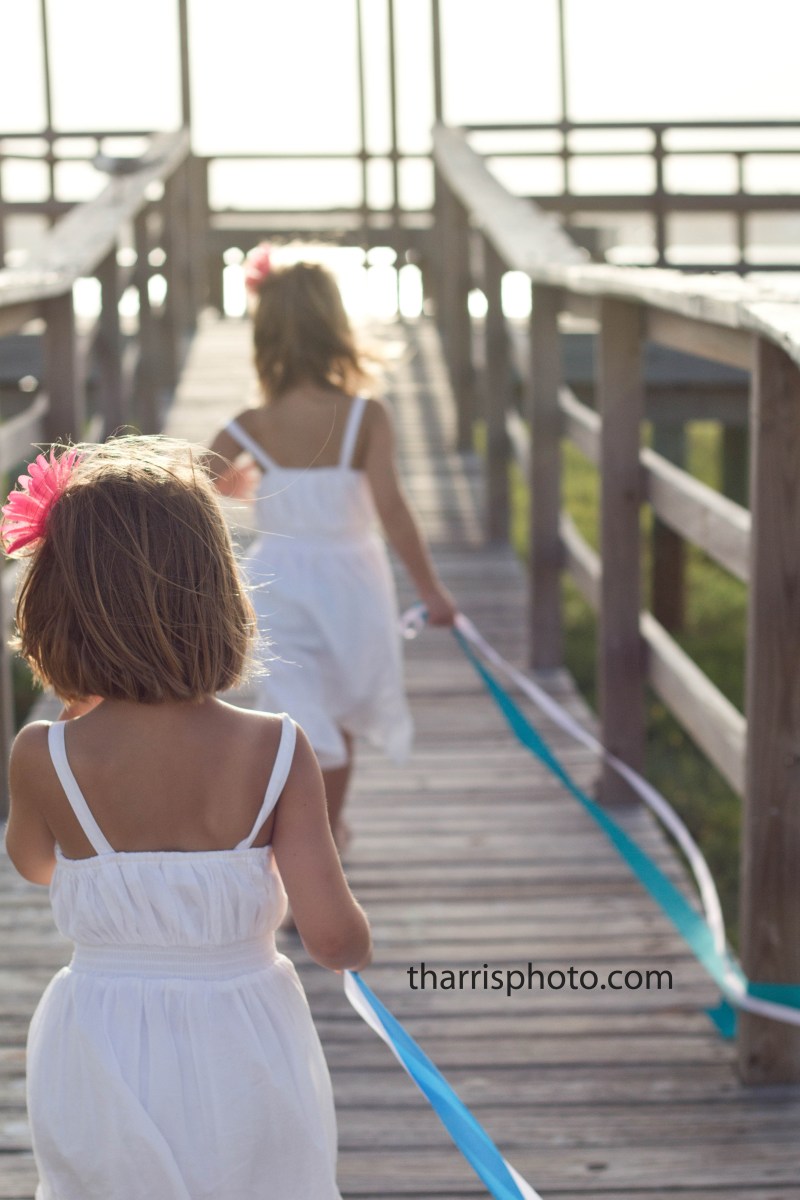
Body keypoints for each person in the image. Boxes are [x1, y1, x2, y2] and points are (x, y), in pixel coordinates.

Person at [3, 438, 371, 1200]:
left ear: (56, 604)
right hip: (246, 1043)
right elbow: (334, 941)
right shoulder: (275, 748)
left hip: (101, 1042)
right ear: (215, 590)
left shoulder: (45, 755)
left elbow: (37, 865)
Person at [207, 248, 457, 847]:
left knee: (295, 711)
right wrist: (431, 591)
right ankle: (325, 838)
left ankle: (306, 839)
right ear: (336, 329)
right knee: (337, 713)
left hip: (278, 580)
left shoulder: (250, 425)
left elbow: (197, 484)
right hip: (354, 579)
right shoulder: (366, 418)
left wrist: (234, 485)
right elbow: (393, 512)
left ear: (265, 336)